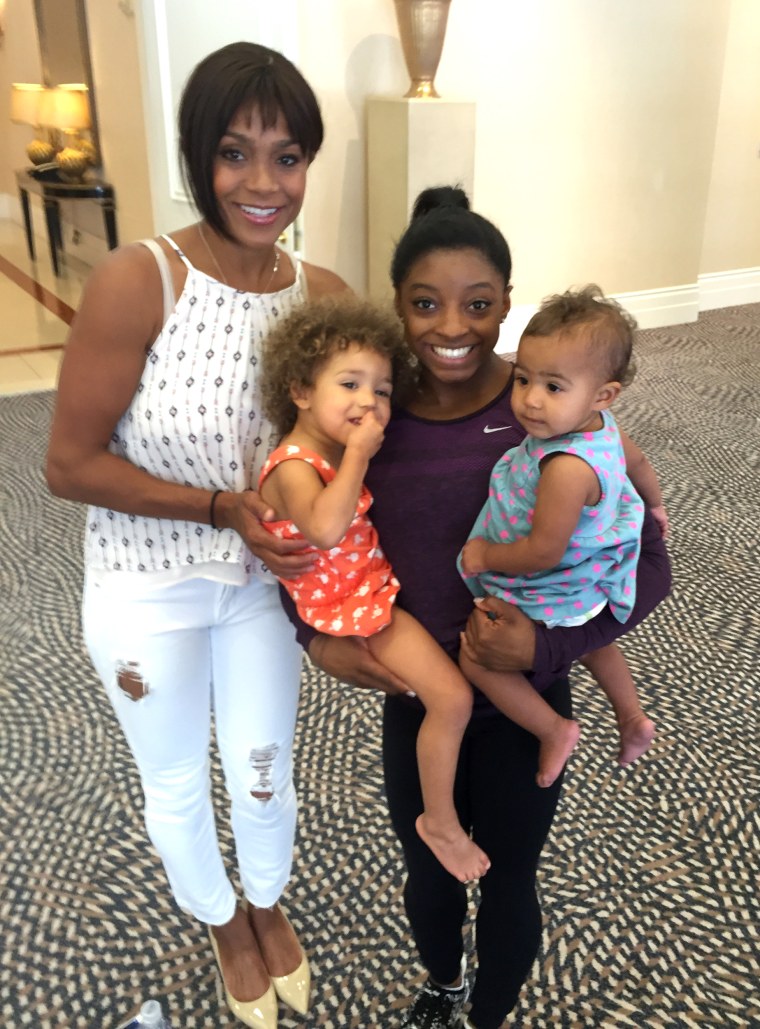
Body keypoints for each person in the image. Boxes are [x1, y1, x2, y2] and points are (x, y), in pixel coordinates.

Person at [280, 186, 671, 1029]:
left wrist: (548, 646)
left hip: (529, 691)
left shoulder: (547, 410)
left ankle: (489, 1014)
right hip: (420, 696)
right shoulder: (366, 418)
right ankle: (442, 979)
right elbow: (304, 537)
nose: (452, 326)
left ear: (505, 303)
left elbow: (647, 571)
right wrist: (314, 639)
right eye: (425, 303)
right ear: (397, 307)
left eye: (479, 304)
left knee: (511, 878)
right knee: (427, 869)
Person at [45, 42, 349, 1029]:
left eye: (288, 155)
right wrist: (223, 509)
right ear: (195, 157)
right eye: (235, 152)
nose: (264, 183)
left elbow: (375, 429)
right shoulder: (141, 280)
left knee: (264, 772)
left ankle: (267, 901)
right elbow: (69, 464)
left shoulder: (326, 293)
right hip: (147, 591)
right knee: (175, 778)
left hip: (263, 590)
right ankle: (222, 923)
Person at [258, 295, 490, 883]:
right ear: (301, 391)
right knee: (453, 698)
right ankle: (439, 821)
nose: (368, 401)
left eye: (381, 390)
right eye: (350, 384)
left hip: (368, 590)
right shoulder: (293, 463)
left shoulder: (329, 449)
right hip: (356, 607)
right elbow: (324, 526)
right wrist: (359, 454)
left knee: (454, 690)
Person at [458, 285, 667, 789]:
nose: (530, 399)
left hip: (554, 581)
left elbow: (543, 551)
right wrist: (655, 505)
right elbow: (636, 462)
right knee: (597, 642)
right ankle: (632, 715)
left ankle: (553, 728)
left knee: (475, 658)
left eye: (554, 387)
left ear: (604, 394)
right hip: (594, 577)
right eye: (523, 378)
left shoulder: (566, 468)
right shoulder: (602, 427)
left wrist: (485, 554)